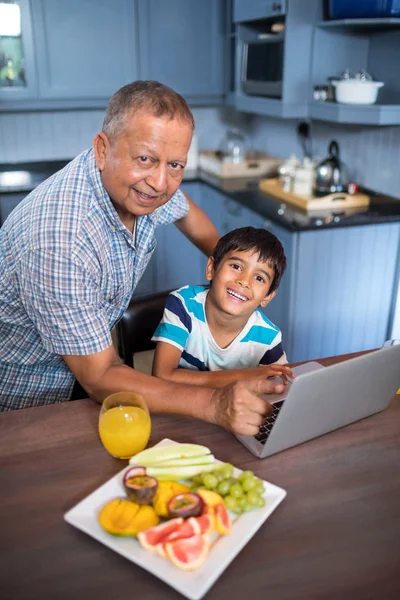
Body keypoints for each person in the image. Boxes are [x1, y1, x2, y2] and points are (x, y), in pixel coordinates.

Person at [0, 80, 286, 435]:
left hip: (83, 378)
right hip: (24, 406)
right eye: (146, 159)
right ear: (103, 149)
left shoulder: (138, 187)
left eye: (176, 165)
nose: (160, 183)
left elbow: (187, 215)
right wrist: (215, 404)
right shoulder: (60, 240)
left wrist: (233, 274)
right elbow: (101, 375)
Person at [152, 226, 294, 387]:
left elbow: (281, 386)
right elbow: (162, 376)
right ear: (211, 268)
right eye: (236, 267)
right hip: (180, 407)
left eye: (259, 278)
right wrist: (245, 377)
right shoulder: (183, 304)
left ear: (267, 296)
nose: (244, 281)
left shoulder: (268, 337)